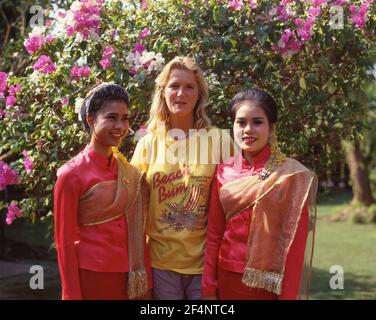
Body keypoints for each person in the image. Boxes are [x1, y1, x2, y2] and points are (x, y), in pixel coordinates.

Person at [202, 88, 317, 300]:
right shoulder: (222, 170)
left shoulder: (289, 175)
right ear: (233, 126)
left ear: (271, 127)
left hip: (269, 285)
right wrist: (209, 288)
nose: (248, 130)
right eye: (241, 122)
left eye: (257, 122)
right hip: (227, 278)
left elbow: (294, 246)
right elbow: (214, 234)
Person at [131, 56, 231, 300]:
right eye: (174, 86)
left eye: (189, 87)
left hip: (206, 263)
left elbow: (239, 195)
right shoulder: (147, 144)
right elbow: (130, 203)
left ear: (199, 94)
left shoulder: (219, 140)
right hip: (161, 263)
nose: (181, 93)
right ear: (163, 91)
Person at [54, 83, 152, 300]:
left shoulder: (129, 172)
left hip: (130, 278)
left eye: (125, 118)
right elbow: (64, 244)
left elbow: (138, 230)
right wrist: (71, 295)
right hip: (91, 277)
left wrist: (147, 282)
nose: (120, 125)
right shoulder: (71, 175)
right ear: (91, 120)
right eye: (112, 117)